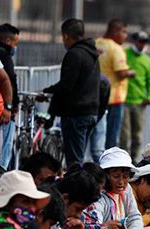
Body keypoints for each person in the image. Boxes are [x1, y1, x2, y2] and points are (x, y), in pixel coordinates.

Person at [44, 18, 100, 167]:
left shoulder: (74, 54)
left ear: (66, 36)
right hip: (91, 112)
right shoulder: (92, 53)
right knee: (79, 157)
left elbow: (66, 86)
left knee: (74, 162)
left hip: (76, 114)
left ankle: (77, 189)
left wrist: (46, 92)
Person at [83, 148, 143, 229]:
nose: (121, 182)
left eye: (125, 177)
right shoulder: (99, 197)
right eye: (116, 176)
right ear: (105, 176)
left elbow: (134, 216)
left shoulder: (127, 190)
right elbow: (93, 227)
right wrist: (105, 227)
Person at [96, 19, 135, 149]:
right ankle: (110, 165)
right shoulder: (116, 48)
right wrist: (130, 73)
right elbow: (120, 73)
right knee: (111, 137)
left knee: (97, 135)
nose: (125, 36)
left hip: (96, 96)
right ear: (116, 31)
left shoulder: (96, 44)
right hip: (114, 98)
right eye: (124, 32)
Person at [0, 23, 20, 168]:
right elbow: (10, 81)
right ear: (8, 41)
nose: (15, 47)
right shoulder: (3, 55)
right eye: (15, 43)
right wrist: (11, 106)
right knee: (1, 156)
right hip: (2, 111)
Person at [120, 31, 150, 161]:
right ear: (134, 41)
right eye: (140, 41)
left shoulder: (147, 60)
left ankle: (134, 162)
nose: (141, 44)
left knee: (137, 135)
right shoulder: (125, 54)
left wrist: (149, 97)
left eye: (144, 42)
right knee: (124, 136)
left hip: (139, 102)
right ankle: (123, 161)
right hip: (124, 100)